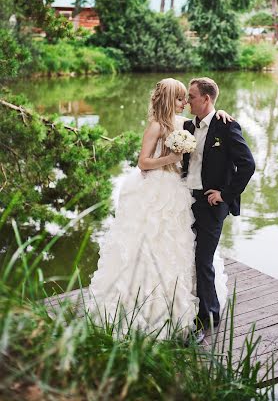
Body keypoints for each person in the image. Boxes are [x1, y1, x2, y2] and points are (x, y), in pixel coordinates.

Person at [87, 78, 233, 339]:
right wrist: (170, 158)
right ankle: (144, 302)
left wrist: (219, 112)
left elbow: (206, 123)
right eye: (179, 99)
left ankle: (192, 305)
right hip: (156, 187)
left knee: (180, 244)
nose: (185, 103)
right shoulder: (155, 126)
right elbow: (143, 162)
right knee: (150, 241)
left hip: (178, 188)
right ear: (168, 100)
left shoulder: (183, 124)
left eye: (186, 98)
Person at [183, 77, 256, 340]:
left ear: (206, 99)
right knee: (184, 255)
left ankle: (209, 317)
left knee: (203, 259)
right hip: (183, 200)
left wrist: (225, 195)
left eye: (191, 96)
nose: (186, 101)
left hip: (210, 204)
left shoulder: (226, 126)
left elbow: (248, 164)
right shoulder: (187, 127)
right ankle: (183, 308)